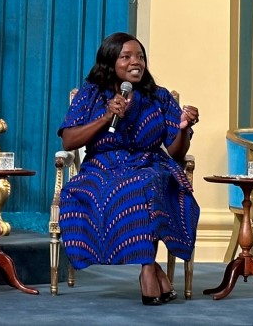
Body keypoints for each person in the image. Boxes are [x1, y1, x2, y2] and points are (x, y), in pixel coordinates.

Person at [57, 32, 200, 305]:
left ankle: (146, 268)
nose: (136, 62)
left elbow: (176, 151)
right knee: (93, 190)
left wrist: (184, 128)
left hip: (149, 163)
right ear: (110, 63)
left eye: (140, 56)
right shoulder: (92, 94)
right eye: (126, 57)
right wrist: (106, 117)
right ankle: (152, 266)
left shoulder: (159, 97)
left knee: (146, 183)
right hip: (102, 166)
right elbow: (69, 139)